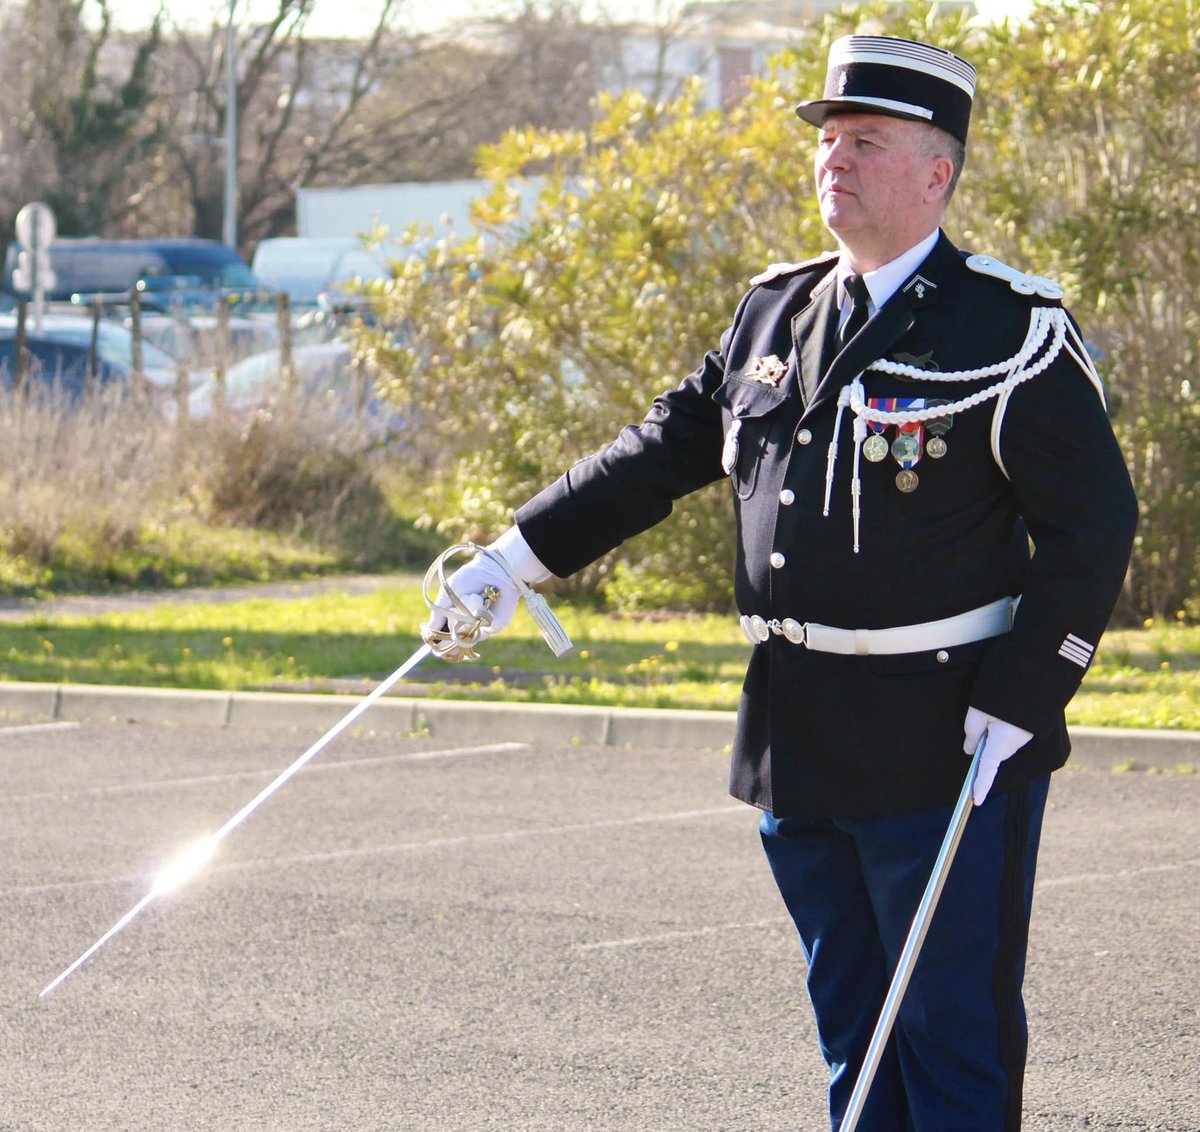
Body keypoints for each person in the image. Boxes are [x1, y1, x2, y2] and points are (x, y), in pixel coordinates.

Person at [424, 34, 1138, 1130]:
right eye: (829, 139)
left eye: (868, 142)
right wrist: (514, 559)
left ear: (937, 172)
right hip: (797, 729)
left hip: (945, 732)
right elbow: (660, 449)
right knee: (853, 1032)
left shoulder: (1009, 330)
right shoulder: (775, 313)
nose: (834, 160)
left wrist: (1026, 691)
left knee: (952, 1039)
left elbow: (1092, 528)